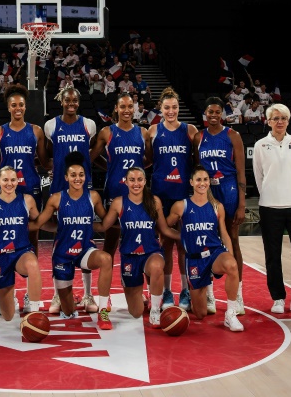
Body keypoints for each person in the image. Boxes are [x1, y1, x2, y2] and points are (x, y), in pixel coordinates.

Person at [30, 152, 113, 329]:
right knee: (68, 312)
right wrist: (15, 225)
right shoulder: (57, 198)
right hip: (63, 255)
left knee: (106, 259)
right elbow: (39, 223)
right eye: (73, 175)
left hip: (85, 250)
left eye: (81, 175)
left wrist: (124, 219)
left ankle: (103, 311)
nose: (78, 178)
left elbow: (105, 223)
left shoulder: (93, 197)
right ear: (66, 177)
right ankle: (67, 299)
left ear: (86, 177)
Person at [0, 83, 48, 311]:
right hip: (4, 191)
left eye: (21, 105)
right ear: (8, 107)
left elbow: (43, 161)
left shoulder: (35, 131)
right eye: (13, 105)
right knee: (0, 241)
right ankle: (1, 292)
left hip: (29, 189)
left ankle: (28, 294)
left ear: (25, 106)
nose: (17, 108)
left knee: (30, 241)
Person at [90, 92, 153, 303]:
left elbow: (150, 160)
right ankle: (103, 295)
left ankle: (143, 291)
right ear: (116, 109)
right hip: (114, 193)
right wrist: (110, 168)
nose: (127, 110)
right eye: (122, 106)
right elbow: (91, 157)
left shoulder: (142, 133)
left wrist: (135, 178)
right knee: (110, 243)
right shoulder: (107, 132)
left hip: (137, 195)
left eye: (130, 106)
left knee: (141, 242)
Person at [165, 166, 244, 332]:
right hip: (194, 259)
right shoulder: (181, 206)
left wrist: (229, 256)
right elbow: (165, 227)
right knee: (200, 313)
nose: (202, 183)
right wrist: (181, 237)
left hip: (214, 253)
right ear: (192, 182)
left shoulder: (217, 206)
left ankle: (231, 314)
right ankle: (205, 281)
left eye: (205, 179)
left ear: (209, 182)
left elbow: (224, 233)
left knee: (231, 265)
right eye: (199, 180)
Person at [100, 166, 179, 327]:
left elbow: (164, 229)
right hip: (129, 256)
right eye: (132, 180)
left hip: (151, 252)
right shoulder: (118, 203)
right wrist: (77, 224)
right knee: (135, 312)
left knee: (157, 267)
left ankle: (155, 310)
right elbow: (103, 226)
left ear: (145, 181)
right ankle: (137, 293)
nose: (136, 183)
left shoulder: (154, 201)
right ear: (126, 182)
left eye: (139, 179)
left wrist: (186, 237)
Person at [43, 85, 98, 313]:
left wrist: (86, 164)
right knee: (60, 238)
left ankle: (87, 294)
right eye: (68, 100)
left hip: (83, 185)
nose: (71, 103)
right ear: (62, 101)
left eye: (75, 100)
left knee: (86, 236)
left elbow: (91, 151)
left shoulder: (89, 125)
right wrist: (52, 168)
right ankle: (58, 294)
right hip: (60, 186)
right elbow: (46, 154)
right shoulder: (51, 125)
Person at [252, 104, 291, 316]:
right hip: (270, 206)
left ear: (288, 120)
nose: (280, 121)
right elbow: (258, 176)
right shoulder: (260, 145)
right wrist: (270, 193)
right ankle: (277, 298)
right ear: (268, 121)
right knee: (272, 255)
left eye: (284, 118)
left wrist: (290, 190)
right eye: (275, 118)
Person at [193, 96, 247, 315]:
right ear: (205, 114)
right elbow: (195, 169)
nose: (213, 115)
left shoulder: (233, 136)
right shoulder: (198, 137)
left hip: (228, 188)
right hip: (207, 190)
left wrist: (242, 203)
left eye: (217, 112)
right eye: (210, 112)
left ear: (222, 114)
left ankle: (239, 295)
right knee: (207, 239)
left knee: (232, 237)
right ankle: (209, 294)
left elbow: (242, 171)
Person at [148, 86, 197, 311]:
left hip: (183, 195)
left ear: (179, 108)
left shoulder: (190, 130)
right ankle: (167, 290)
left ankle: (186, 289)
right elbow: (148, 160)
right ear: (161, 108)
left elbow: (196, 161)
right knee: (165, 243)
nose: (171, 111)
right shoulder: (152, 131)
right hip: (160, 195)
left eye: (174, 107)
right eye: (167, 107)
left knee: (184, 245)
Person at [0, 166, 42, 320]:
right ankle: (9, 297)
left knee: (33, 265)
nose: (9, 183)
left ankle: (34, 313)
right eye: (5, 179)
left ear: (18, 181)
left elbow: (38, 222)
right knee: (8, 316)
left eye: (13, 180)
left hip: (21, 251)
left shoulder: (27, 200)